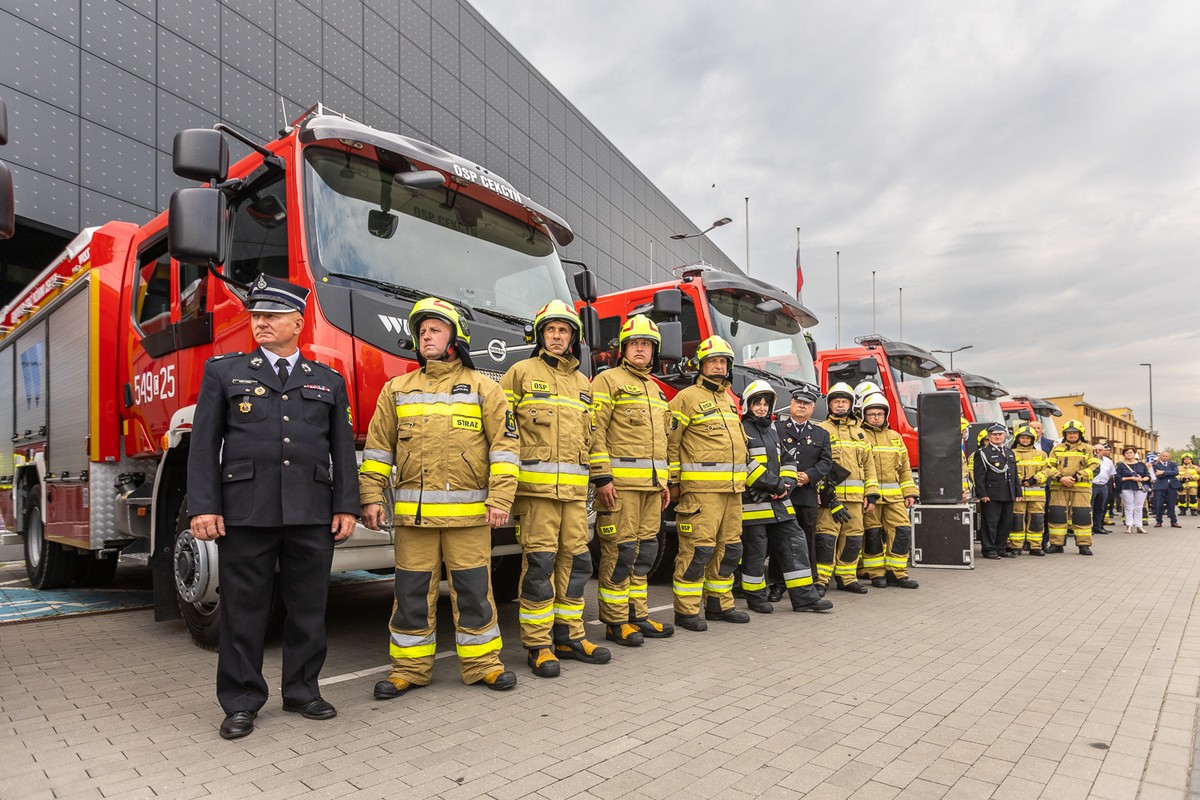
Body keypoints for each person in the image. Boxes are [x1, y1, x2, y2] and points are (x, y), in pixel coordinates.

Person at [187, 274, 358, 741]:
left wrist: (346, 505)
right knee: (244, 611)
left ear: (297, 323)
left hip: (311, 511)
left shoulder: (328, 381)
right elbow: (203, 446)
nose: (259, 323)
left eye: (271, 316)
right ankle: (241, 701)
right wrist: (204, 506)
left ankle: (303, 691)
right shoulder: (224, 372)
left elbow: (341, 450)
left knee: (308, 609)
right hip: (248, 511)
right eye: (256, 316)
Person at [360, 298, 518, 699]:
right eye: (422, 331)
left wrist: (500, 499)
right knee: (411, 594)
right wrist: (371, 498)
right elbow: (379, 451)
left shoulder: (486, 388)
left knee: (474, 593)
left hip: (469, 520)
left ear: (456, 338)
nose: (426, 336)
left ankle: (483, 664)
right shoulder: (396, 389)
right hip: (415, 522)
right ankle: (409, 669)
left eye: (435, 329)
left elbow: (504, 450)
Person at [502, 299, 609, 677]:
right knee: (539, 567)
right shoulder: (519, 373)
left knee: (578, 565)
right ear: (540, 334)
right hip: (536, 497)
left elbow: (594, 440)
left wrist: (603, 480)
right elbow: (502, 434)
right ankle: (538, 644)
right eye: (551, 329)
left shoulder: (584, 384)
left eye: (564, 330)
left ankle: (570, 635)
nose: (557, 335)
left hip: (576, 498)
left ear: (573, 337)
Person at [589, 315, 674, 645]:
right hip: (619, 489)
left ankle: (637, 615)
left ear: (654, 351)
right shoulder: (606, 382)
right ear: (623, 348)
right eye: (635, 343)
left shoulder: (656, 390)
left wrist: (664, 480)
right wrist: (602, 478)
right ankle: (614, 621)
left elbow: (662, 442)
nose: (640, 349)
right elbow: (594, 433)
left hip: (652, 490)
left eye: (646, 344)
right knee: (620, 553)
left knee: (645, 554)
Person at [667, 335, 750, 630]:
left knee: (730, 550)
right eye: (713, 361)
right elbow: (672, 443)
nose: (718, 366)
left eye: (723, 362)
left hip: (732, 492)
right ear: (701, 365)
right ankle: (686, 610)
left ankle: (719, 604)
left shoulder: (729, 401)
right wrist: (674, 483)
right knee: (697, 551)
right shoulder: (685, 398)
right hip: (700, 494)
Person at [737, 380, 833, 614]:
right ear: (747, 405)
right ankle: (756, 597)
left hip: (780, 502)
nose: (761, 407)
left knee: (795, 543)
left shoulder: (772, 429)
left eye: (765, 403)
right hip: (755, 504)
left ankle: (805, 598)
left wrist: (787, 485)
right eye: (756, 403)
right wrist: (775, 484)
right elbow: (743, 462)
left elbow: (788, 460)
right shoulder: (740, 429)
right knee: (755, 552)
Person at [814, 382, 879, 594]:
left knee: (853, 538)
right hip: (830, 497)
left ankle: (847, 577)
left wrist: (871, 494)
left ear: (851, 405)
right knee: (825, 537)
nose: (840, 405)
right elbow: (816, 465)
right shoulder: (821, 430)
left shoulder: (861, 433)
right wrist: (820, 492)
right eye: (836, 402)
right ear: (829, 405)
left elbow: (869, 467)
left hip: (855, 498)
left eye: (844, 402)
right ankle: (821, 580)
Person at [771, 385, 833, 601]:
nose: (801, 407)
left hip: (806, 494)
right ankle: (778, 584)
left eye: (806, 404)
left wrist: (809, 476)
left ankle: (809, 582)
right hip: (782, 493)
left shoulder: (821, 434)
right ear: (791, 404)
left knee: (807, 540)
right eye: (798, 402)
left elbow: (826, 462)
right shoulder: (776, 429)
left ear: (812, 408)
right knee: (781, 538)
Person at [857, 393, 919, 588]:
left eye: (880, 414)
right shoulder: (860, 435)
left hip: (894, 498)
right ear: (864, 415)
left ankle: (897, 573)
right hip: (871, 498)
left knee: (902, 531)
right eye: (872, 414)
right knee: (872, 535)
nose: (876, 417)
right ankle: (876, 574)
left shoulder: (895, 437)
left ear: (886, 415)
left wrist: (909, 492)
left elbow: (905, 468)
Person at [1045, 420, 1100, 555]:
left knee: (1082, 516)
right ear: (1065, 434)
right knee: (1057, 515)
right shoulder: (1056, 449)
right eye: (1069, 433)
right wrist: (1060, 478)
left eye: (1075, 433)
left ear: (1080, 434)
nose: (1072, 435)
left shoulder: (1089, 449)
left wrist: (1076, 477)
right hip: (1059, 487)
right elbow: (1048, 467)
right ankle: (1056, 544)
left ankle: (1084, 545)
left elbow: (1095, 468)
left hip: (1081, 489)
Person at [973, 423, 1020, 559]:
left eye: (1000, 434)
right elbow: (979, 475)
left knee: (1006, 523)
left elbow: (1014, 474)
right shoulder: (982, 453)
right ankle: (989, 549)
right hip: (992, 494)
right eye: (994, 435)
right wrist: (982, 493)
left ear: (1005, 436)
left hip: (1008, 493)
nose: (997, 437)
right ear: (989, 436)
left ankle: (1001, 547)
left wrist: (1018, 492)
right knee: (990, 523)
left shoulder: (1010, 452)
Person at [1010, 425, 1048, 556]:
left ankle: (1035, 546)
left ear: (1033, 439)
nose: (1025, 440)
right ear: (1017, 438)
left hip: (1037, 495)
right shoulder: (1011, 453)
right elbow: (1009, 472)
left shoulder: (1041, 454)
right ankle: (1016, 546)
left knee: (1037, 520)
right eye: (1022, 437)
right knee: (1017, 520)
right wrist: (1019, 480)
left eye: (1028, 438)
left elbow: (1047, 471)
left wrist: (1035, 479)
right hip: (1018, 494)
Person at [1115, 446, 1150, 534]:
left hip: (1140, 487)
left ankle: (1139, 526)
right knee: (1128, 507)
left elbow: (1148, 476)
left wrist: (1141, 479)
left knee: (1139, 507)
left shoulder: (1141, 464)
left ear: (1134, 454)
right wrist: (1130, 478)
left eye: (1131, 452)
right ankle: (1129, 526)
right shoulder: (1121, 465)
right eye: (1126, 453)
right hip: (1127, 487)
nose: (1129, 454)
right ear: (1124, 455)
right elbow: (1118, 478)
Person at [1151, 450, 1182, 528]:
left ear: (1169, 457)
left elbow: (1176, 472)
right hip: (1160, 487)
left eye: (1166, 456)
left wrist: (1163, 472)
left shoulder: (1173, 464)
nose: (1165, 457)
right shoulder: (1156, 465)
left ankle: (1174, 521)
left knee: (1171, 505)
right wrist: (1168, 473)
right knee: (1159, 505)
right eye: (1163, 456)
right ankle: (1158, 521)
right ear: (1160, 456)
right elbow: (1158, 475)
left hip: (1172, 486)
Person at [1090, 444, 1116, 535]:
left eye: (1100, 450)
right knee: (1090, 507)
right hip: (1092, 485)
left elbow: (1111, 474)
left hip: (1103, 485)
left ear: (1104, 451)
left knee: (1101, 507)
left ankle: (1098, 526)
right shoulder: (1089, 460)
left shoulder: (1108, 461)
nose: (1097, 451)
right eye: (1095, 449)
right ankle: (1089, 528)